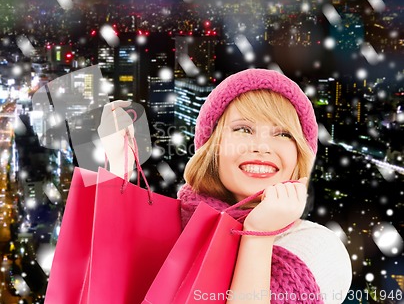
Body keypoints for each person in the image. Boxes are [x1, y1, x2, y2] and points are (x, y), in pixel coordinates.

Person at [100, 68, 352, 304]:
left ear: (299, 154)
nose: (262, 147)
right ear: (214, 149)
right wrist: (116, 170)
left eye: (283, 134)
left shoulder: (318, 247)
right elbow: (107, 282)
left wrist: (257, 234)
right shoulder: (171, 226)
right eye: (243, 129)